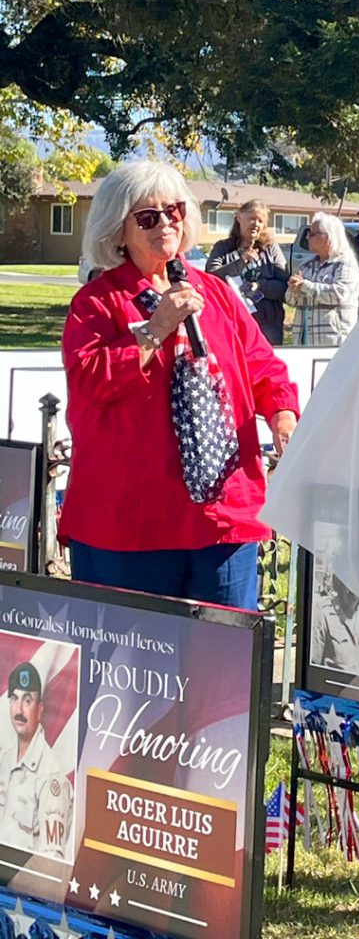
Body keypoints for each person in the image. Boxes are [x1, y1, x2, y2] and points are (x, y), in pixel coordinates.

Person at [59, 161, 300, 609]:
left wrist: (283, 416)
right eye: (148, 217)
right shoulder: (96, 303)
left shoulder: (217, 293)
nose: (166, 222)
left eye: (172, 210)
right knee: (128, 668)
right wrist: (157, 327)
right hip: (130, 525)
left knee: (223, 666)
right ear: (118, 232)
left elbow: (264, 368)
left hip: (222, 517)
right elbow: (90, 381)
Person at [0, 662, 73, 858]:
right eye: (14, 699)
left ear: (40, 710)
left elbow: (50, 863)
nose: (19, 710)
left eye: (27, 701)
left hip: (20, 887)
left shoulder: (51, 779)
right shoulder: (3, 761)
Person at [205, 200, 289, 347]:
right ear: (239, 217)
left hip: (267, 325)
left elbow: (283, 287)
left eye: (260, 221)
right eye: (252, 218)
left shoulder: (271, 249)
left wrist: (260, 286)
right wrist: (241, 261)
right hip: (232, 322)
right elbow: (210, 279)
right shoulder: (223, 248)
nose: (256, 224)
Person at [285, 212, 359, 345]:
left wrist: (304, 286)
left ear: (329, 237)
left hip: (334, 341)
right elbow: (290, 300)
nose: (308, 237)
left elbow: (340, 294)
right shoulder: (306, 266)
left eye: (313, 234)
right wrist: (293, 290)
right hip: (304, 340)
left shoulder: (346, 263)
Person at [310, 579, 359, 679]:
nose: (353, 593)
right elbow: (313, 666)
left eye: (358, 588)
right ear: (341, 584)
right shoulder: (324, 615)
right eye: (350, 586)